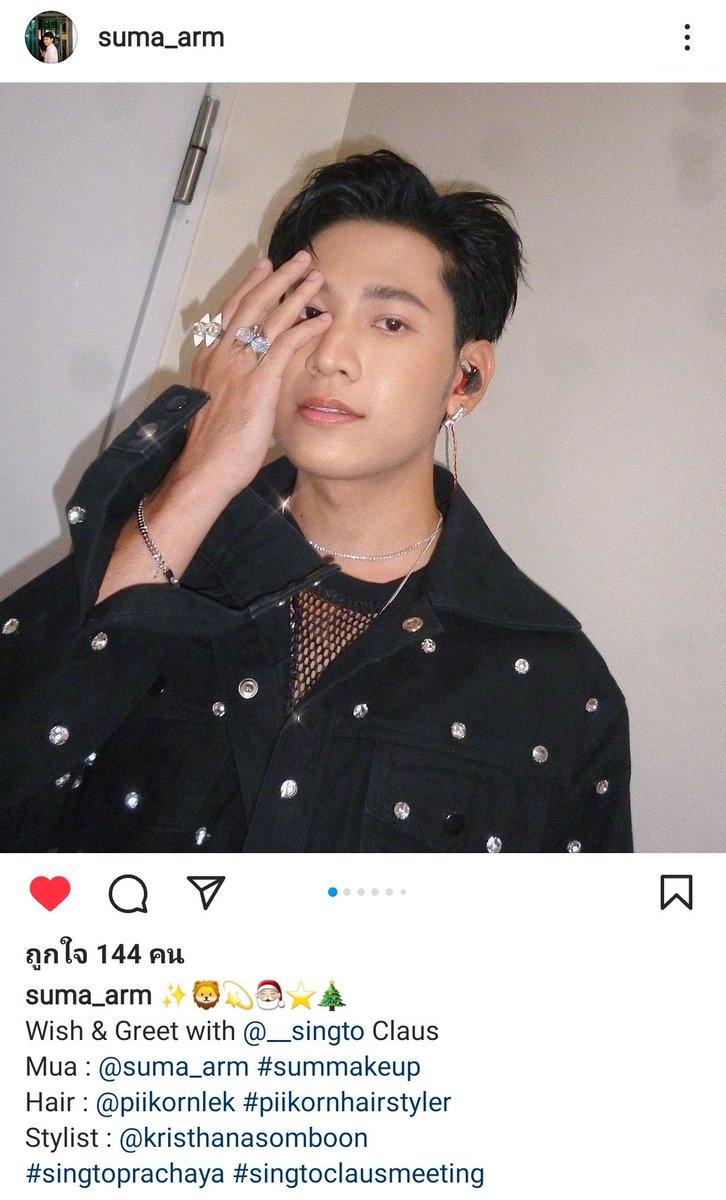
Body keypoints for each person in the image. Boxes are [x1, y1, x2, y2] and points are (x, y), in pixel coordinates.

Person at [0, 150, 632, 853]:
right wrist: (201, 472)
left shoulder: (554, 685)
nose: (329, 354)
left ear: (467, 378)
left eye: (389, 323)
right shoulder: (162, 560)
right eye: (309, 312)